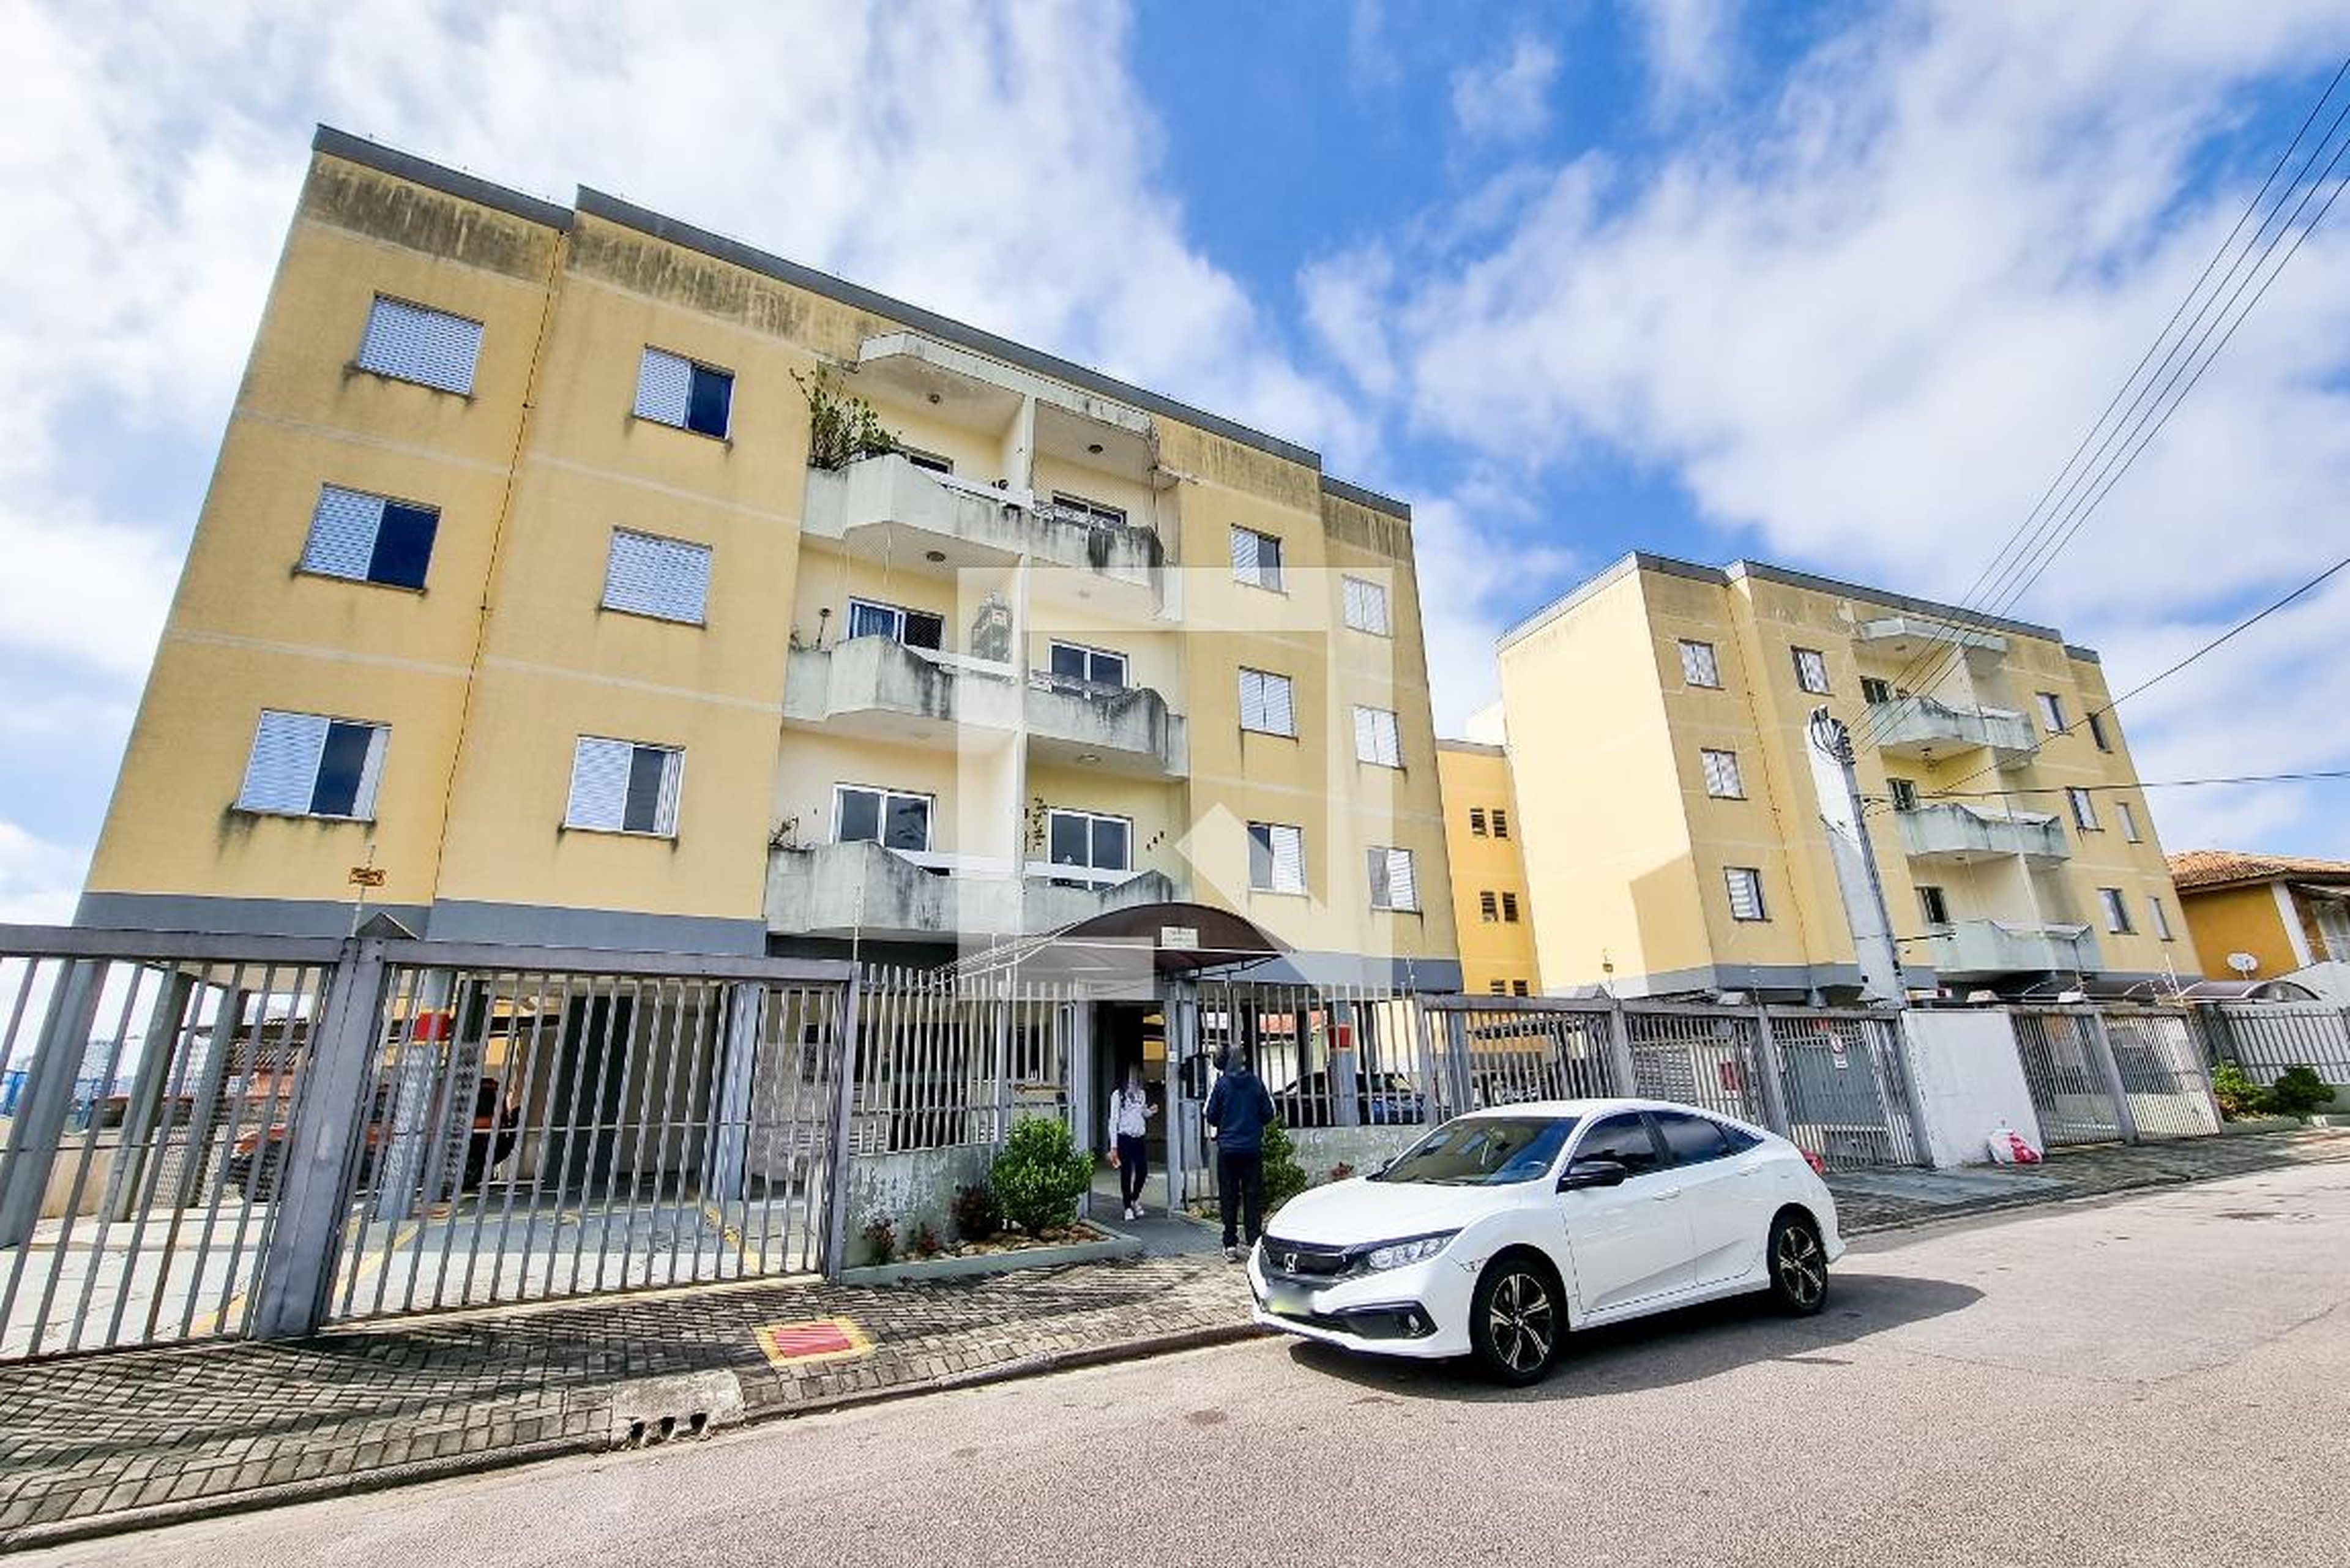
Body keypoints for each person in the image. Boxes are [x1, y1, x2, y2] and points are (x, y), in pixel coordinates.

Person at [1203, 1045, 1276, 1261]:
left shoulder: (1222, 1085)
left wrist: (1227, 1122)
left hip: (1228, 1150)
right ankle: (1254, 1241)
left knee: (1229, 1196)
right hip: (1252, 1148)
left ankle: (1230, 1244)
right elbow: (1269, 1113)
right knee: (1253, 1196)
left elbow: (1210, 1114)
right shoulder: (1256, 1083)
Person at [1106, 1064, 1155, 1220]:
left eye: (1137, 1075)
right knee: (1126, 1173)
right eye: (1132, 1075)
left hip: (1139, 1137)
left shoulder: (1142, 1094)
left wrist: (1151, 1112)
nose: (1135, 1078)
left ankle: (1134, 1199)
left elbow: (1142, 1113)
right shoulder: (1118, 1095)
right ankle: (1127, 1206)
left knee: (1142, 1171)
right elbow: (1113, 1121)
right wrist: (1113, 1147)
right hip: (1124, 1137)